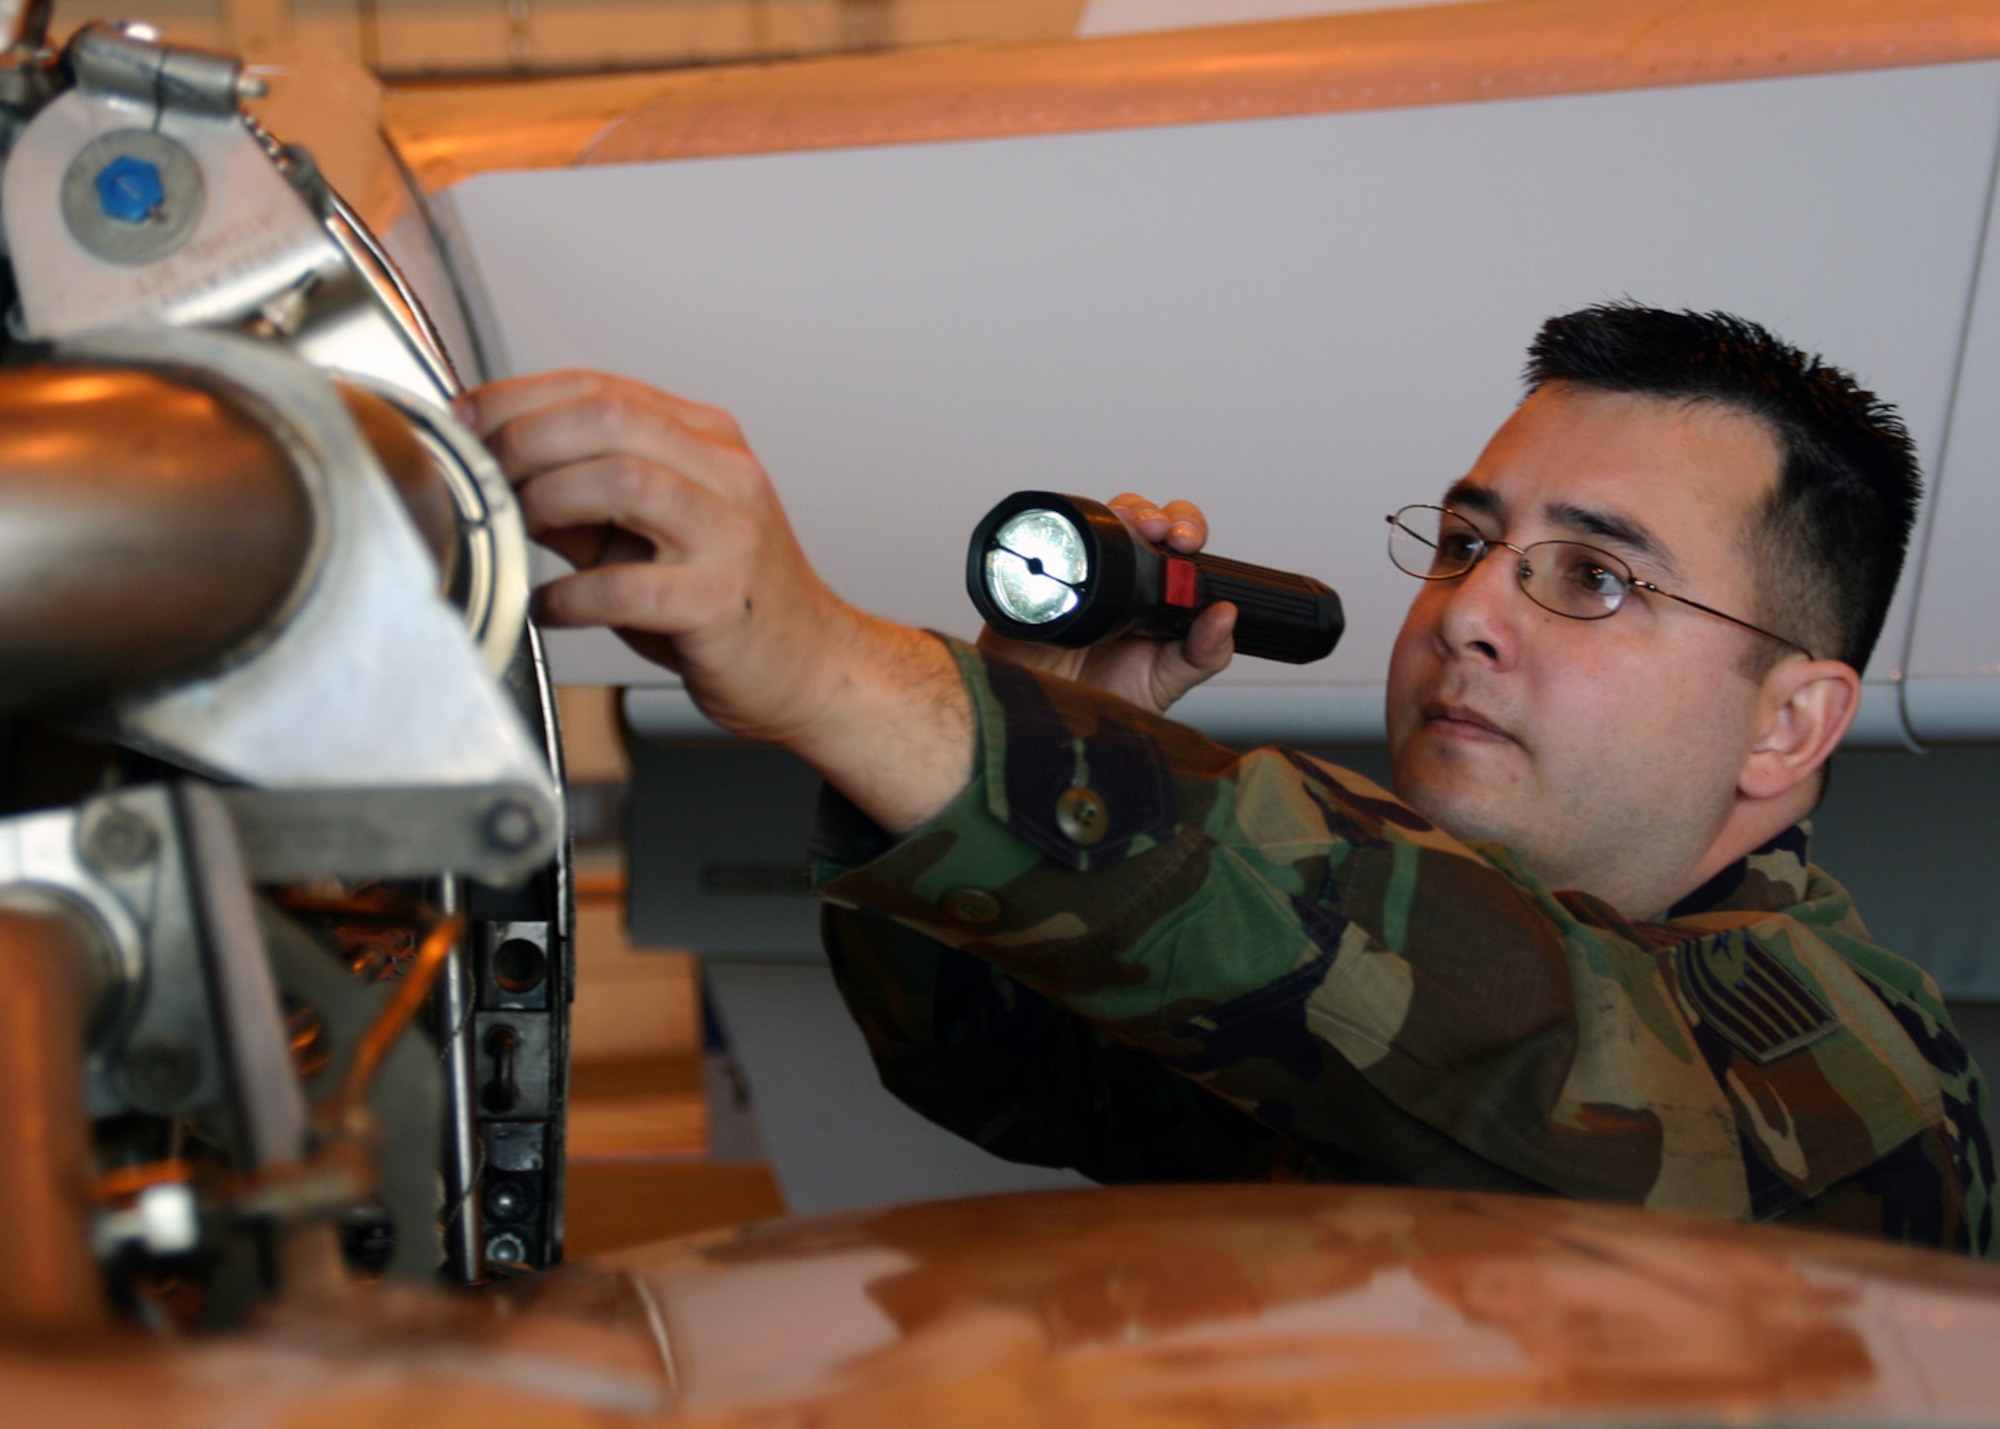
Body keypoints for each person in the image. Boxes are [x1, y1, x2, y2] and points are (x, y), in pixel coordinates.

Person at [459, 303, 1993, 1254]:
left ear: (1790, 723)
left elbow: (1520, 1031)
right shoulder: (1450, 966)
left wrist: (835, 668)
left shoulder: (1853, 1074)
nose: (1466, 610)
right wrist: (1028, 710)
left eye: (1591, 578)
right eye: (1467, 544)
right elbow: (1015, 1077)